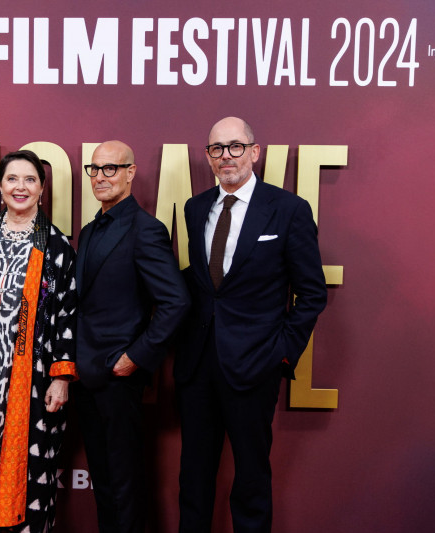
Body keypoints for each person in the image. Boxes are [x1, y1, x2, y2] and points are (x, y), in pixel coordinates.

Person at [176, 117, 328, 532]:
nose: (226, 156)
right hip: (198, 365)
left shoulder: (289, 210)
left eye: (235, 147)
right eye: (217, 149)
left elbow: (312, 292)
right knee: (193, 479)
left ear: (254, 152)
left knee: (251, 481)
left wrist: (281, 353)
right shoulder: (194, 208)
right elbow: (202, 288)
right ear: (208, 157)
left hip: (254, 367)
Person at [0, 150, 78, 532]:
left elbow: (68, 315)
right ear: (0, 185)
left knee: (28, 468)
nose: (20, 187)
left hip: (33, 379)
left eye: (29, 180)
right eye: (12, 179)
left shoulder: (57, 247)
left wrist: (61, 376)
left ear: (41, 189)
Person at [74, 141, 189, 533]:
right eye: (95, 169)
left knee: (125, 485)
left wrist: (135, 357)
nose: (101, 177)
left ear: (131, 172)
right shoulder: (89, 231)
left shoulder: (146, 230)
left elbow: (175, 302)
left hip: (120, 379)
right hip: (86, 377)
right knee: (104, 484)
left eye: (111, 169)